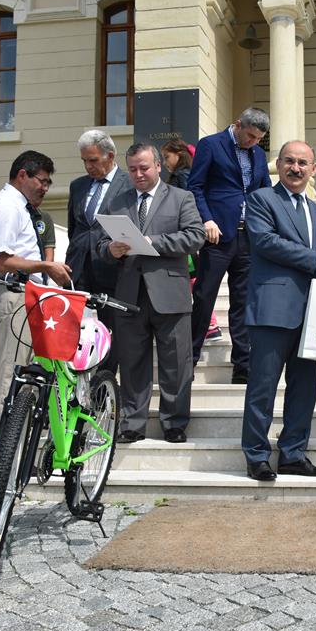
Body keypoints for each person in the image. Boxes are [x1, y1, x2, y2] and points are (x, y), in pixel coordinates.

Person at [240, 140, 316, 481]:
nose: (296, 168)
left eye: (303, 163)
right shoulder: (262, 199)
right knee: (262, 387)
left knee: (304, 388)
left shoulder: (315, 211)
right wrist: (314, 257)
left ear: (313, 169)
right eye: (289, 161)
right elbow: (265, 242)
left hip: (313, 311)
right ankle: (257, 455)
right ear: (278, 164)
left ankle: (293, 453)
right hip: (273, 309)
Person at [96, 143, 205, 444]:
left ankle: (174, 423)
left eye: (144, 168)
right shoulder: (117, 202)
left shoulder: (181, 197)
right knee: (132, 363)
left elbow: (195, 237)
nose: (138, 174)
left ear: (158, 166)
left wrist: (152, 241)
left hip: (169, 291)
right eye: (132, 169)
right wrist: (111, 249)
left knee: (176, 364)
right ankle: (132, 422)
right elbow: (99, 245)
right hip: (129, 295)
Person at [0, 151, 72, 473]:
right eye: (41, 180)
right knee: (9, 378)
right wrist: (46, 265)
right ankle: (6, 459)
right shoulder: (6, 206)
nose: (45, 187)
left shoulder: (23, 208)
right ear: (22, 175)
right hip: (13, 296)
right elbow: (1, 261)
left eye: (48, 182)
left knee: (8, 375)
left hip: (26, 296)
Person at [188, 107, 271, 383]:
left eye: (258, 139)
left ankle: (243, 367)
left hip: (248, 238)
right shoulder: (211, 145)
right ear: (238, 124)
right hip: (217, 236)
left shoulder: (258, 154)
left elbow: (264, 191)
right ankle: (189, 359)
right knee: (203, 297)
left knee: (243, 302)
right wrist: (206, 219)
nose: (253, 143)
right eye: (249, 136)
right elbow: (195, 187)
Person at [66, 130, 131, 374]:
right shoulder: (78, 186)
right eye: (84, 160)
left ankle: (104, 387)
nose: (88, 166)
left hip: (112, 272)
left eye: (93, 160)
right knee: (77, 334)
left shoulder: (128, 184)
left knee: (109, 334)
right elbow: (76, 229)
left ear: (110, 155)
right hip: (79, 271)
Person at [166, 139, 222, 345]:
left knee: (194, 281)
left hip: (184, 239)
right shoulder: (189, 174)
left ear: (178, 154)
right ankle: (210, 325)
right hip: (191, 238)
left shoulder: (181, 176)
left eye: (166, 157)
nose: (165, 162)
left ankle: (209, 325)